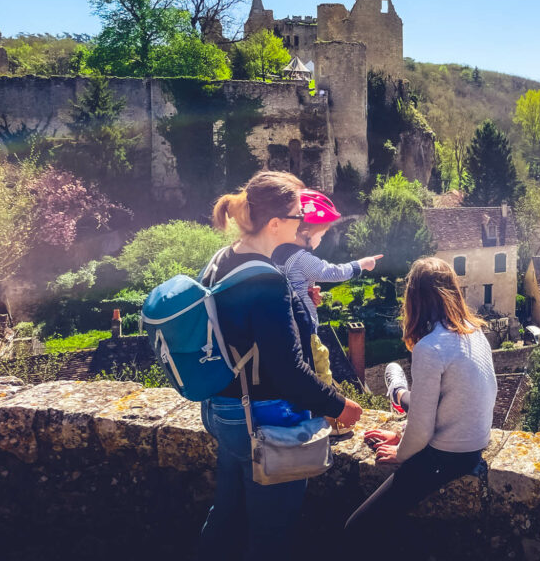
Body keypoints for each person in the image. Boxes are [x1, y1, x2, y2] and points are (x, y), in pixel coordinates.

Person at [199, 170, 363, 559]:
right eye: (296, 215)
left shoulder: (223, 259)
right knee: (271, 532)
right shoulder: (267, 280)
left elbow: (239, 328)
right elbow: (288, 371)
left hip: (222, 407)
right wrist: (339, 406)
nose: (302, 221)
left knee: (226, 514)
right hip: (262, 417)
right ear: (275, 224)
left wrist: (297, 307)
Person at [344, 257, 498, 560]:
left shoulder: (432, 347)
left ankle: (397, 390)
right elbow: (452, 403)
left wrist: (402, 452)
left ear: (412, 297)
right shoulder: (473, 331)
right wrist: (403, 433)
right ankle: (398, 391)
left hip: (446, 456)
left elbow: (424, 430)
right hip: (474, 445)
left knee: (356, 529)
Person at [270, 188, 383, 329]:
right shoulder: (301, 258)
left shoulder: (275, 253)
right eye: (321, 235)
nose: (321, 240)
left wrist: (305, 293)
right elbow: (332, 272)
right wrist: (361, 264)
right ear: (306, 232)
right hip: (304, 331)